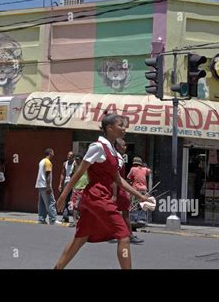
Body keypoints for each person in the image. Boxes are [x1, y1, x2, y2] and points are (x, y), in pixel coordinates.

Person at [54, 113, 153, 269]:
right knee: (124, 236)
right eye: (121, 125)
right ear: (109, 127)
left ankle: (57, 268)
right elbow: (79, 172)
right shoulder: (98, 147)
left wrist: (141, 197)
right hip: (97, 197)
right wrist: (63, 195)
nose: (124, 128)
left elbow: (119, 181)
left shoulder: (112, 151)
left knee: (80, 238)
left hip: (97, 197)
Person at [114, 138, 144, 244]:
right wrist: (114, 194)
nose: (125, 147)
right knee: (125, 212)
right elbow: (115, 177)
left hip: (119, 189)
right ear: (117, 146)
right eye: (123, 145)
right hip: (118, 190)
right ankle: (129, 235)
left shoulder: (119, 157)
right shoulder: (117, 158)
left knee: (119, 212)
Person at [35, 148, 61, 225]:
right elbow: (47, 174)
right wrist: (48, 186)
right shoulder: (48, 162)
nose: (54, 153)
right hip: (45, 185)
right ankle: (53, 219)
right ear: (50, 153)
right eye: (53, 152)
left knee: (42, 203)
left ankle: (41, 219)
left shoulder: (42, 161)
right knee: (51, 202)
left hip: (40, 185)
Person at [68, 154, 88, 227]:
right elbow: (71, 176)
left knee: (82, 206)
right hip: (75, 188)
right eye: (76, 159)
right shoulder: (75, 166)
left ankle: (83, 221)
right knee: (73, 205)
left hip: (84, 188)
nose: (76, 161)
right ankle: (74, 221)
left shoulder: (85, 166)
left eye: (78, 160)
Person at [59, 151, 75, 223]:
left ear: (73, 157)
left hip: (74, 183)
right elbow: (62, 174)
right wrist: (60, 184)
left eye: (70, 156)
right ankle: (65, 216)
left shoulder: (75, 163)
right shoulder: (65, 164)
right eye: (68, 155)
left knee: (72, 199)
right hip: (66, 183)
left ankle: (73, 216)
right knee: (65, 199)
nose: (69, 156)